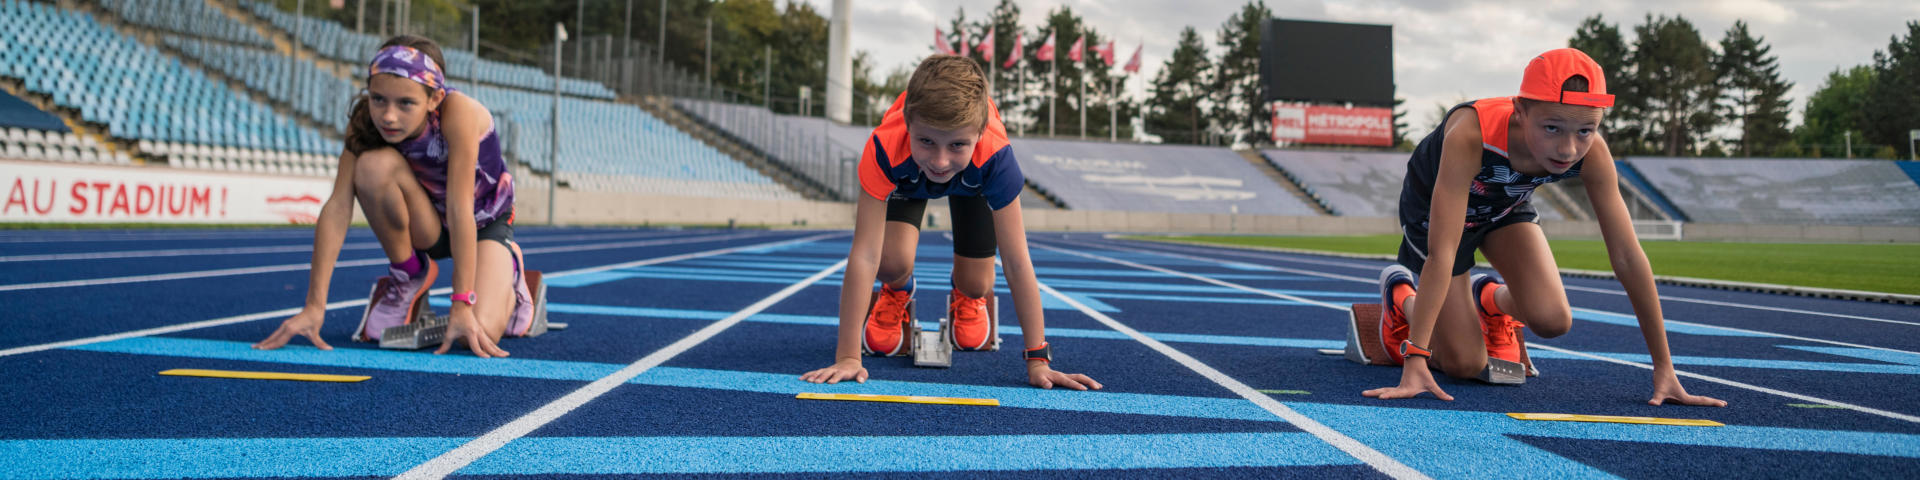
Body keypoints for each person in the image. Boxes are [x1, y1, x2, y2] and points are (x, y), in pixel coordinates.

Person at [1362, 48, 1724, 407]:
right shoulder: (1473, 133)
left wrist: (1664, 367)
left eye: (1585, 130)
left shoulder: (1592, 152)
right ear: (1519, 111)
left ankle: (1487, 299)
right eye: (1552, 128)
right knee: (1464, 364)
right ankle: (1402, 301)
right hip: (1435, 216)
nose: (1568, 149)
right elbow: (1442, 253)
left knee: (1553, 320)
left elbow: (1628, 256)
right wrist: (1416, 358)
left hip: (1504, 209)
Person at [799, 55, 1100, 390]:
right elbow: (864, 254)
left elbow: (1016, 261)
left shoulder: (996, 157)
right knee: (887, 262)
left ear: (980, 133)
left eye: (957, 144)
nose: (940, 161)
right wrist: (848, 357)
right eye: (926, 140)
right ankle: (896, 290)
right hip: (909, 178)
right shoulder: (884, 147)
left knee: (977, 283)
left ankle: (968, 296)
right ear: (908, 123)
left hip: (973, 180)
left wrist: (1037, 359)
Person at [253, 35, 536, 358]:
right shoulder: (364, 119)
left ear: (434, 98)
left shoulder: (459, 112)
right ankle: (409, 272)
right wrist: (314, 306)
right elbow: (338, 205)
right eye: (378, 99)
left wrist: (461, 303)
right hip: (428, 220)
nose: (388, 116)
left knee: (478, 333)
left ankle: (509, 267)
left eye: (405, 103)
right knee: (372, 166)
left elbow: (461, 209)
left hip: (482, 222)